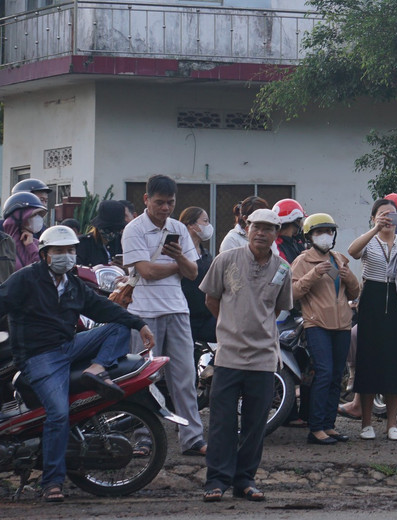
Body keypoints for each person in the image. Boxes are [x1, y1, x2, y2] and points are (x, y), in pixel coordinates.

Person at [0, 225, 153, 502]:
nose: (66, 256)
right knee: (59, 414)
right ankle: (52, 482)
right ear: (45, 254)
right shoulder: (25, 279)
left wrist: (139, 324)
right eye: (59, 251)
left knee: (119, 326)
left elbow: (102, 307)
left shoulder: (72, 284)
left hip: (68, 347)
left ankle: (96, 369)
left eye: (70, 250)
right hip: (39, 357)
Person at [199, 208, 294, 502]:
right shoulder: (226, 259)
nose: (261, 233)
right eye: (256, 227)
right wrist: (231, 325)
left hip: (264, 356)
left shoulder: (283, 268)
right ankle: (216, 480)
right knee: (222, 421)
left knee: (255, 423)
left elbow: (277, 309)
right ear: (247, 228)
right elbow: (211, 298)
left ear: (276, 233)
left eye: (268, 228)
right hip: (228, 353)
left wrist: (256, 325)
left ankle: (245, 480)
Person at [123, 174, 206, 456]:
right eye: (159, 202)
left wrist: (179, 257)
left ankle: (193, 438)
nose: (165, 208)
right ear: (146, 199)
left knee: (185, 378)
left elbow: (193, 273)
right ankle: (143, 437)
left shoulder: (178, 228)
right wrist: (177, 265)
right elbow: (146, 271)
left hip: (178, 310)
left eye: (170, 202)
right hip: (143, 314)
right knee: (143, 378)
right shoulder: (134, 229)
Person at [292, 213, 361, 444]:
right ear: (309, 236)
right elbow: (292, 293)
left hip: (342, 324)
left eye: (329, 231)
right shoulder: (302, 261)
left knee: (336, 376)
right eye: (320, 232)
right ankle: (316, 428)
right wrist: (313, 274)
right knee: (323, 372)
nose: (326, 236)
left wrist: (349, 278)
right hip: (317, 324)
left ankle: (329, 425)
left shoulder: (339, 259)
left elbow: (354, 292)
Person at [346, 196, 397, 440]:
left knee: (395, 363)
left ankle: (392, 424)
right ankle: (366, 423)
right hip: (371, 300)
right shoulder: (370, 240)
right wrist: (375, 229)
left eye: (392, 214)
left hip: (396, 301)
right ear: (373, 218)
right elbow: (352, 252)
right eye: (382, 214)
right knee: (369, 362)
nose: (388, 219)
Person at [179, 206, 218, 344]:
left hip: (206, 316)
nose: (208, 226)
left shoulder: (206, 254)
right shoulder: (178, 252)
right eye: (205, 221)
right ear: (191, 225)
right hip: (186, 316)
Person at [77, 199, 128, 267]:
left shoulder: (123, 242)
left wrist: (125, 268)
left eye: (117, 229)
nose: (112, 233)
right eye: (108, 229)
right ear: (99, 226)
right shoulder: (83, 243)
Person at [4, 190, 47, 269]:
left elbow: (44, 270)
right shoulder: (3, 245)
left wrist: (30, 246)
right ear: (18, 216)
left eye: (39, 215)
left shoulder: (37, 244)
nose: (38, 218)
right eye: (34, 214)